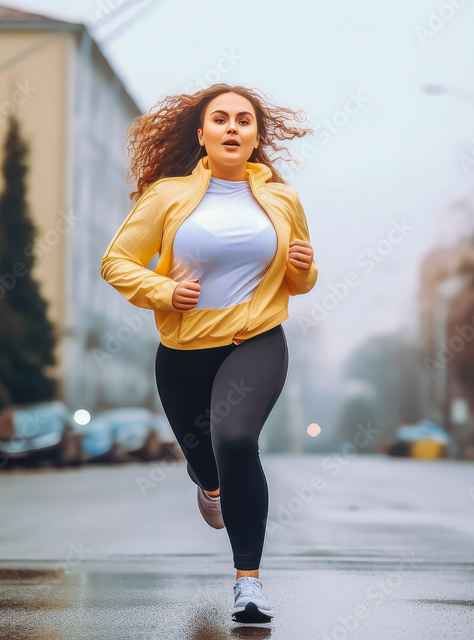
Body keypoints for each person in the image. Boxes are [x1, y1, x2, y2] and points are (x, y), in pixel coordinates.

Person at [100, 83, 318, 623]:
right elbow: (116, 262)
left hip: (257, 340)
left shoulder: (282, 198)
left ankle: (249, 584)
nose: (232, 127)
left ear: (255, 136)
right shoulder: (167, 197)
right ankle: (208, 482)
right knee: (206, 461)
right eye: (219, 119)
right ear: (201, 135)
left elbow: (303, 280)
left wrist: (302, 264)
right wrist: (164, 290)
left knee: (237, 440)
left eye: (244, 120)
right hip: (184, 350)